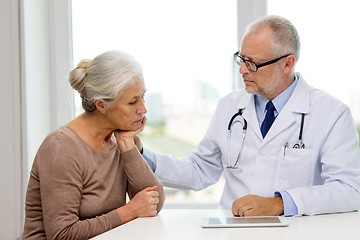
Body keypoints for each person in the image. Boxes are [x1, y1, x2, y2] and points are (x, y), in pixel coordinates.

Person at [140, 15, 360, 217]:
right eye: (241, 59)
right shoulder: (229, 106)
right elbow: (199, 170)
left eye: (252, 63)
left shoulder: (331, 113)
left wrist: (278, 204)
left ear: (287, 63)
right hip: (234, 229)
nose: (242, 70)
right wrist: (140, 154)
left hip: (295, 231)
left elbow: (349, 189)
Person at [22, 50, 165, 239]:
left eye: (142, 97)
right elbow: (61, 235)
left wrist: (127, 145)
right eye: (132, 102)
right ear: (101, 105)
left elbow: (153, 204)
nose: (143, 109)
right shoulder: (61, 147)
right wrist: (128, 211)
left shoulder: (123, 140)